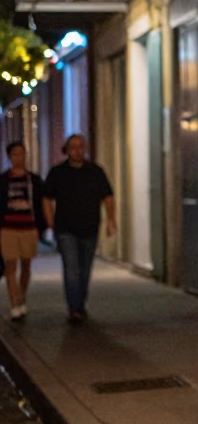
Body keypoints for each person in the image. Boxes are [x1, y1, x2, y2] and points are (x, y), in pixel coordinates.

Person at [42, 134, 116, 323]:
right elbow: (47, 198)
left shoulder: (95, 171)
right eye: (73, 147)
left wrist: (111, 219)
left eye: (81, 146)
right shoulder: (58, 172)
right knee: (72, 268)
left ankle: (80, 303)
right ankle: (74, 308)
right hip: (65, 228)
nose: (77, 150)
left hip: (90, 227)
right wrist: (50, 221)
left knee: (85, 269)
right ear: (66, 150)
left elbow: (107, 196)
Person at [0, 141, 46, 321]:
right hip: (8, 228)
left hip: (28, 228)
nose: (19, 157)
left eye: (21, 154)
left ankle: (22, 297)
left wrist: (42, 226)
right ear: (9, 157)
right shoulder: (3, 180)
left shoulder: (34, 180)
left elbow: (41, 203)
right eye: (15, 154)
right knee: (10, 265)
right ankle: (14, 303)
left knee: (26, 265)